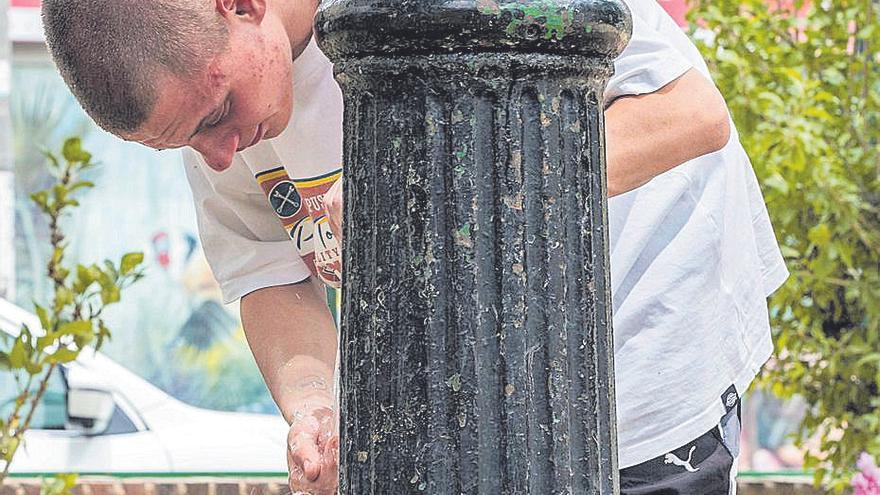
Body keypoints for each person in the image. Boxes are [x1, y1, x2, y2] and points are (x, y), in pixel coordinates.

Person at [40, 0, 788, 493]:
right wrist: (314, 409)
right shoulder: (218, 125)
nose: (219, 151)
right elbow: (268, 274)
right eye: (186, 142)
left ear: (241, 4)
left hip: (644, 337)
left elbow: (690, 115)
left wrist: (419, 204)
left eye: (217, 114)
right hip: (464, 405)